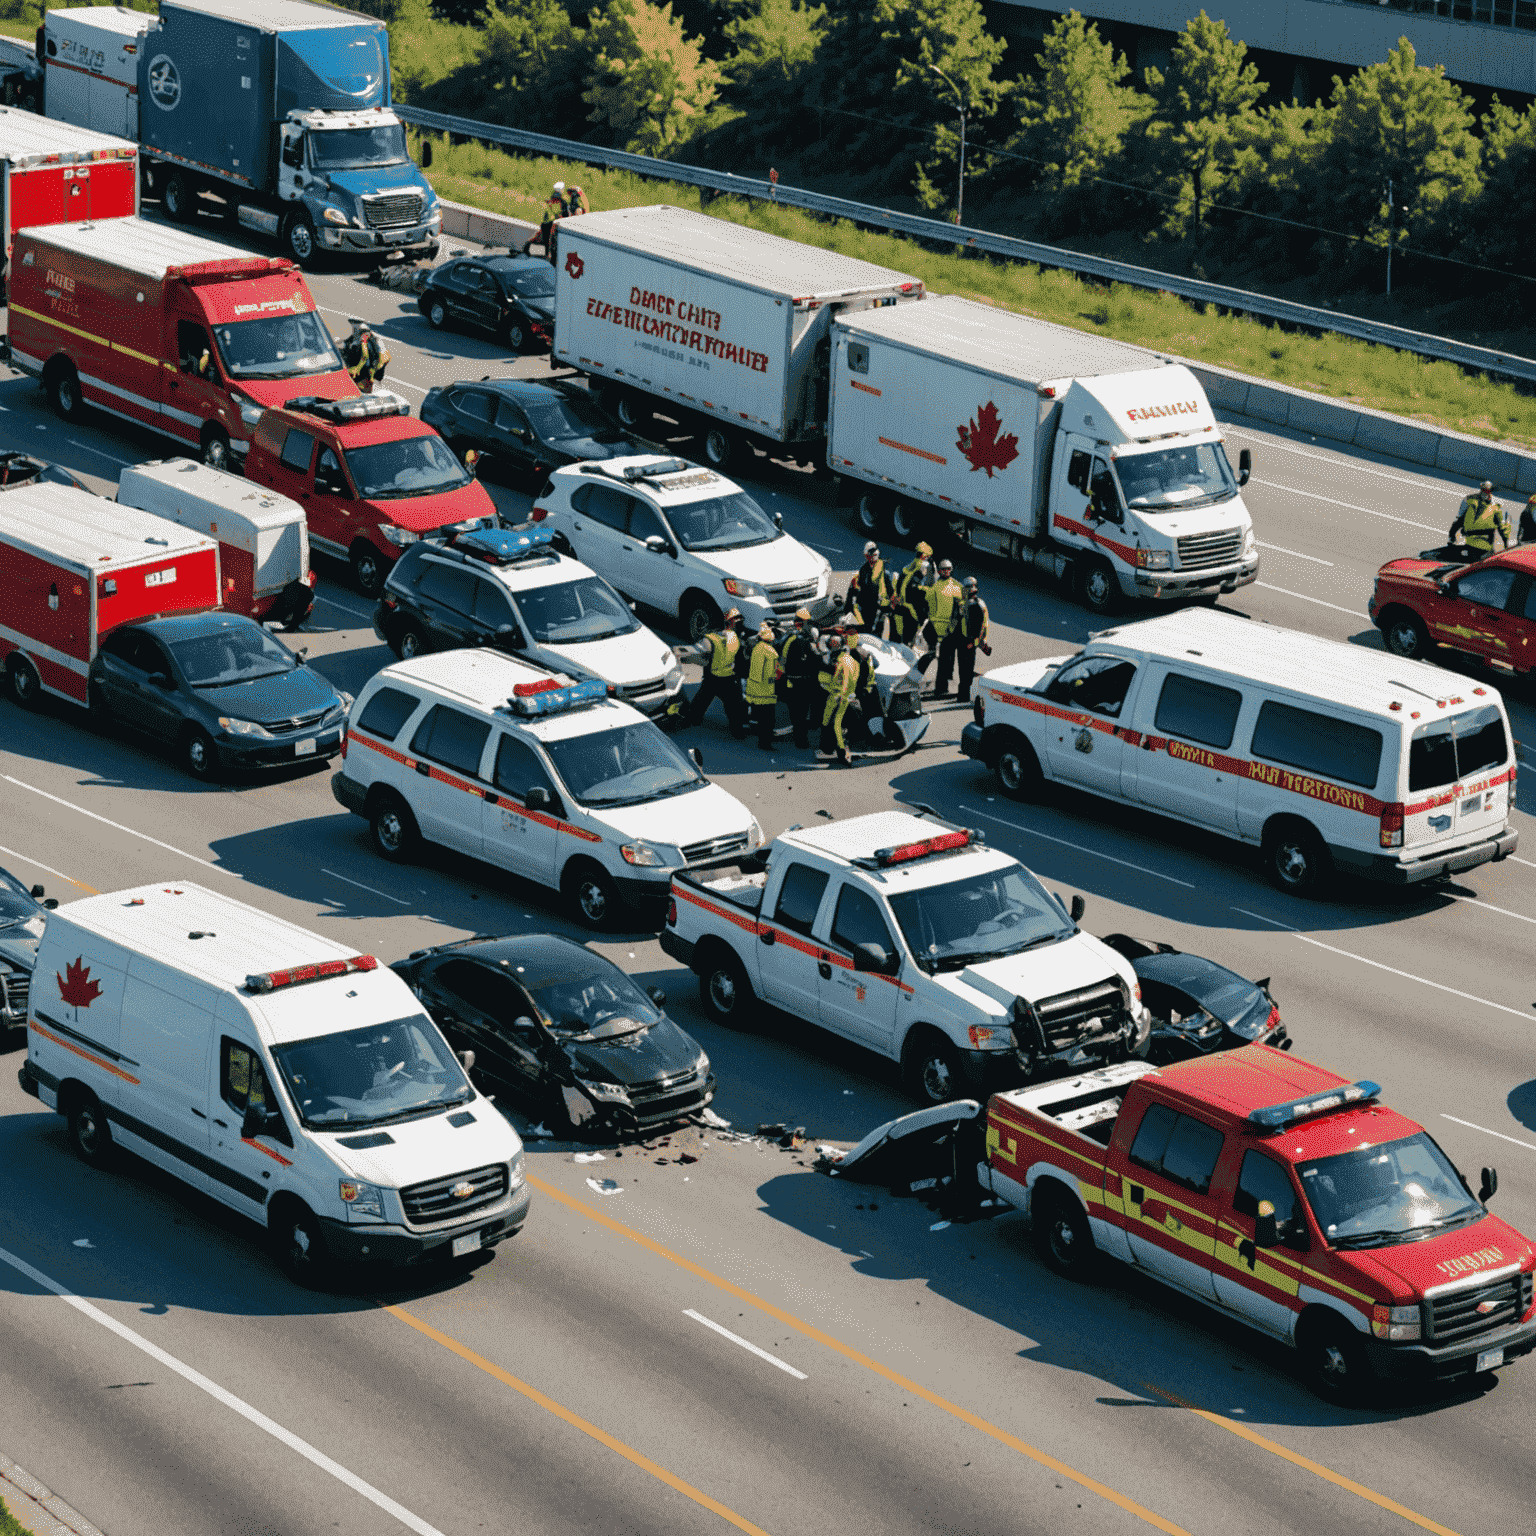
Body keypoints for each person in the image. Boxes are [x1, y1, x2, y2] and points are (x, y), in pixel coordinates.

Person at [671, 608, 748, 738]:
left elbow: (703, 659)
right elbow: (740, 660)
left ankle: (692, 721)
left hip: (712, 679)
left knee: (700, 702)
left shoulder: (710, 639)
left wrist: (685, 659)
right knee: (733, 707)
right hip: (729, 679)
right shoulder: (736, 639)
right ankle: (738, 732)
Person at [916, 556, 964, 696]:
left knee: (945, 661)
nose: (946, 572)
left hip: (949, 630)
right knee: (932, 656)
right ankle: (933, 685)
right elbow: (926, 601)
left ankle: (942, 688)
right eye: (943, 569)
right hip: (934, 628)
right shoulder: (935, 586)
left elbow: (961, 609)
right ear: (940, 570)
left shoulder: (957, 587)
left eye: (948, 569)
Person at [780, 607, 820, 749]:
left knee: (798, 713)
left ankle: (801, 737)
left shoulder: (792, 638)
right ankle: (801, 740)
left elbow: (783, 660)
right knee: (800, 713)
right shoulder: (805, 639)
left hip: (796, 681)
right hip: (800, 682)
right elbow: (817, 659)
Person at [818, 633, 859, 766]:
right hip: (848, 695)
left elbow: (841, 681)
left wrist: (828, 685)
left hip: (839, 696)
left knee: (835, 723)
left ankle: (842, 753)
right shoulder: (852, 660)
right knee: (827, 721)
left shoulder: (841, 662)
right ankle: (827, 748)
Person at [1448, 479, 1510, 558]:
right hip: (1471, 543)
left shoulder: (1496, 505)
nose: (1485, 493)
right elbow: (1459, 518)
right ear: (1481, 489)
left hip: (1485, 546)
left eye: (1487, 491)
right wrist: (1451, 535)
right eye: (1483, 490)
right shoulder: (1469, 500)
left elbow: (1501, 526)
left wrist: (1506, 543)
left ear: (1490, 491)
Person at [744, 621, 781, 750]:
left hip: (754, 690)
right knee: (768, 720)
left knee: (759, 718)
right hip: (766, 692)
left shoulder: (757, 648)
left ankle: (762, 740)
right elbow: (771, 674)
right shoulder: (771, 652)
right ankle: (765, 743)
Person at [956, 576, 991, 705]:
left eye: (966, 588)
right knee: (963, 670)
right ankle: (963, 694)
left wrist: (974, 643)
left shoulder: (976, 604)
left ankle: (964, 697)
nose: (963, 590)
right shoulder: (964, 602)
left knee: (966, 671)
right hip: (962, 641)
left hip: (970, 642)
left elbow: (980, 627)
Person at [844, 540, 891, 636]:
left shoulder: (882, 572)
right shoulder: (864, 569)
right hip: (867, 604)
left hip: (876, 604)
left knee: (871, 627)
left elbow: (888, 589)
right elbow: (861, 586)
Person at [890, 541, 932, 646]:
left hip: (900, 606)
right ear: (924, 555)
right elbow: (918, 591)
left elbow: (902, 583)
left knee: (896, 637)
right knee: (908, 639)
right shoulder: (923, 567)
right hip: (911, 610)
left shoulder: (910, 565)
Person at [341, 318, 389, 392]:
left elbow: (365, 356)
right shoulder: (365, 335)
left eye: (354, 324)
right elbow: (349, 340)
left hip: (365, 373)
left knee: (362, 392)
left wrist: (357, 368)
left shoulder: (364, 338)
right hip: (365, 372)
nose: (352, 326)